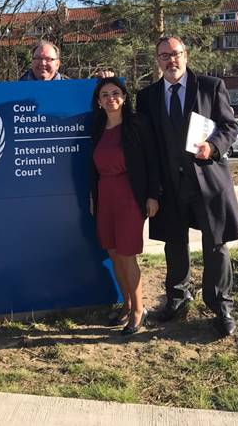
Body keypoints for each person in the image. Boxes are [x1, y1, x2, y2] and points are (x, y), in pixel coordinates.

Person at [136, 36, 238, 338]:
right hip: (169, 184)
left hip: (207, 181)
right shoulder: (147, 97)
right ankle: (178, 296)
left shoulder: (210, 86)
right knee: (174, 243)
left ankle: (221, 305)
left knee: (216, 244)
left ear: (186, 55)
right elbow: (147, 144)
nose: (170, 60)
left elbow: (229, 127)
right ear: (157, 59)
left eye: (175, 54)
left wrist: (213, 146)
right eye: (164, 55)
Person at [90, 77, 159, 335]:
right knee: (113, 253)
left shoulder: (137, 124)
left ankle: (140, 310)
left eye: (116, 93)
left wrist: (153, 195)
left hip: (130, 193)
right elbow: (92, 167)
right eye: (105, 94)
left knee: (127, 253)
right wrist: (93, 197)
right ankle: (127, 304)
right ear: (98, 101)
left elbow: (152, 161)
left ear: (125, 97)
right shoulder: (98, 126)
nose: (111, 98)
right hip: (104, 193)